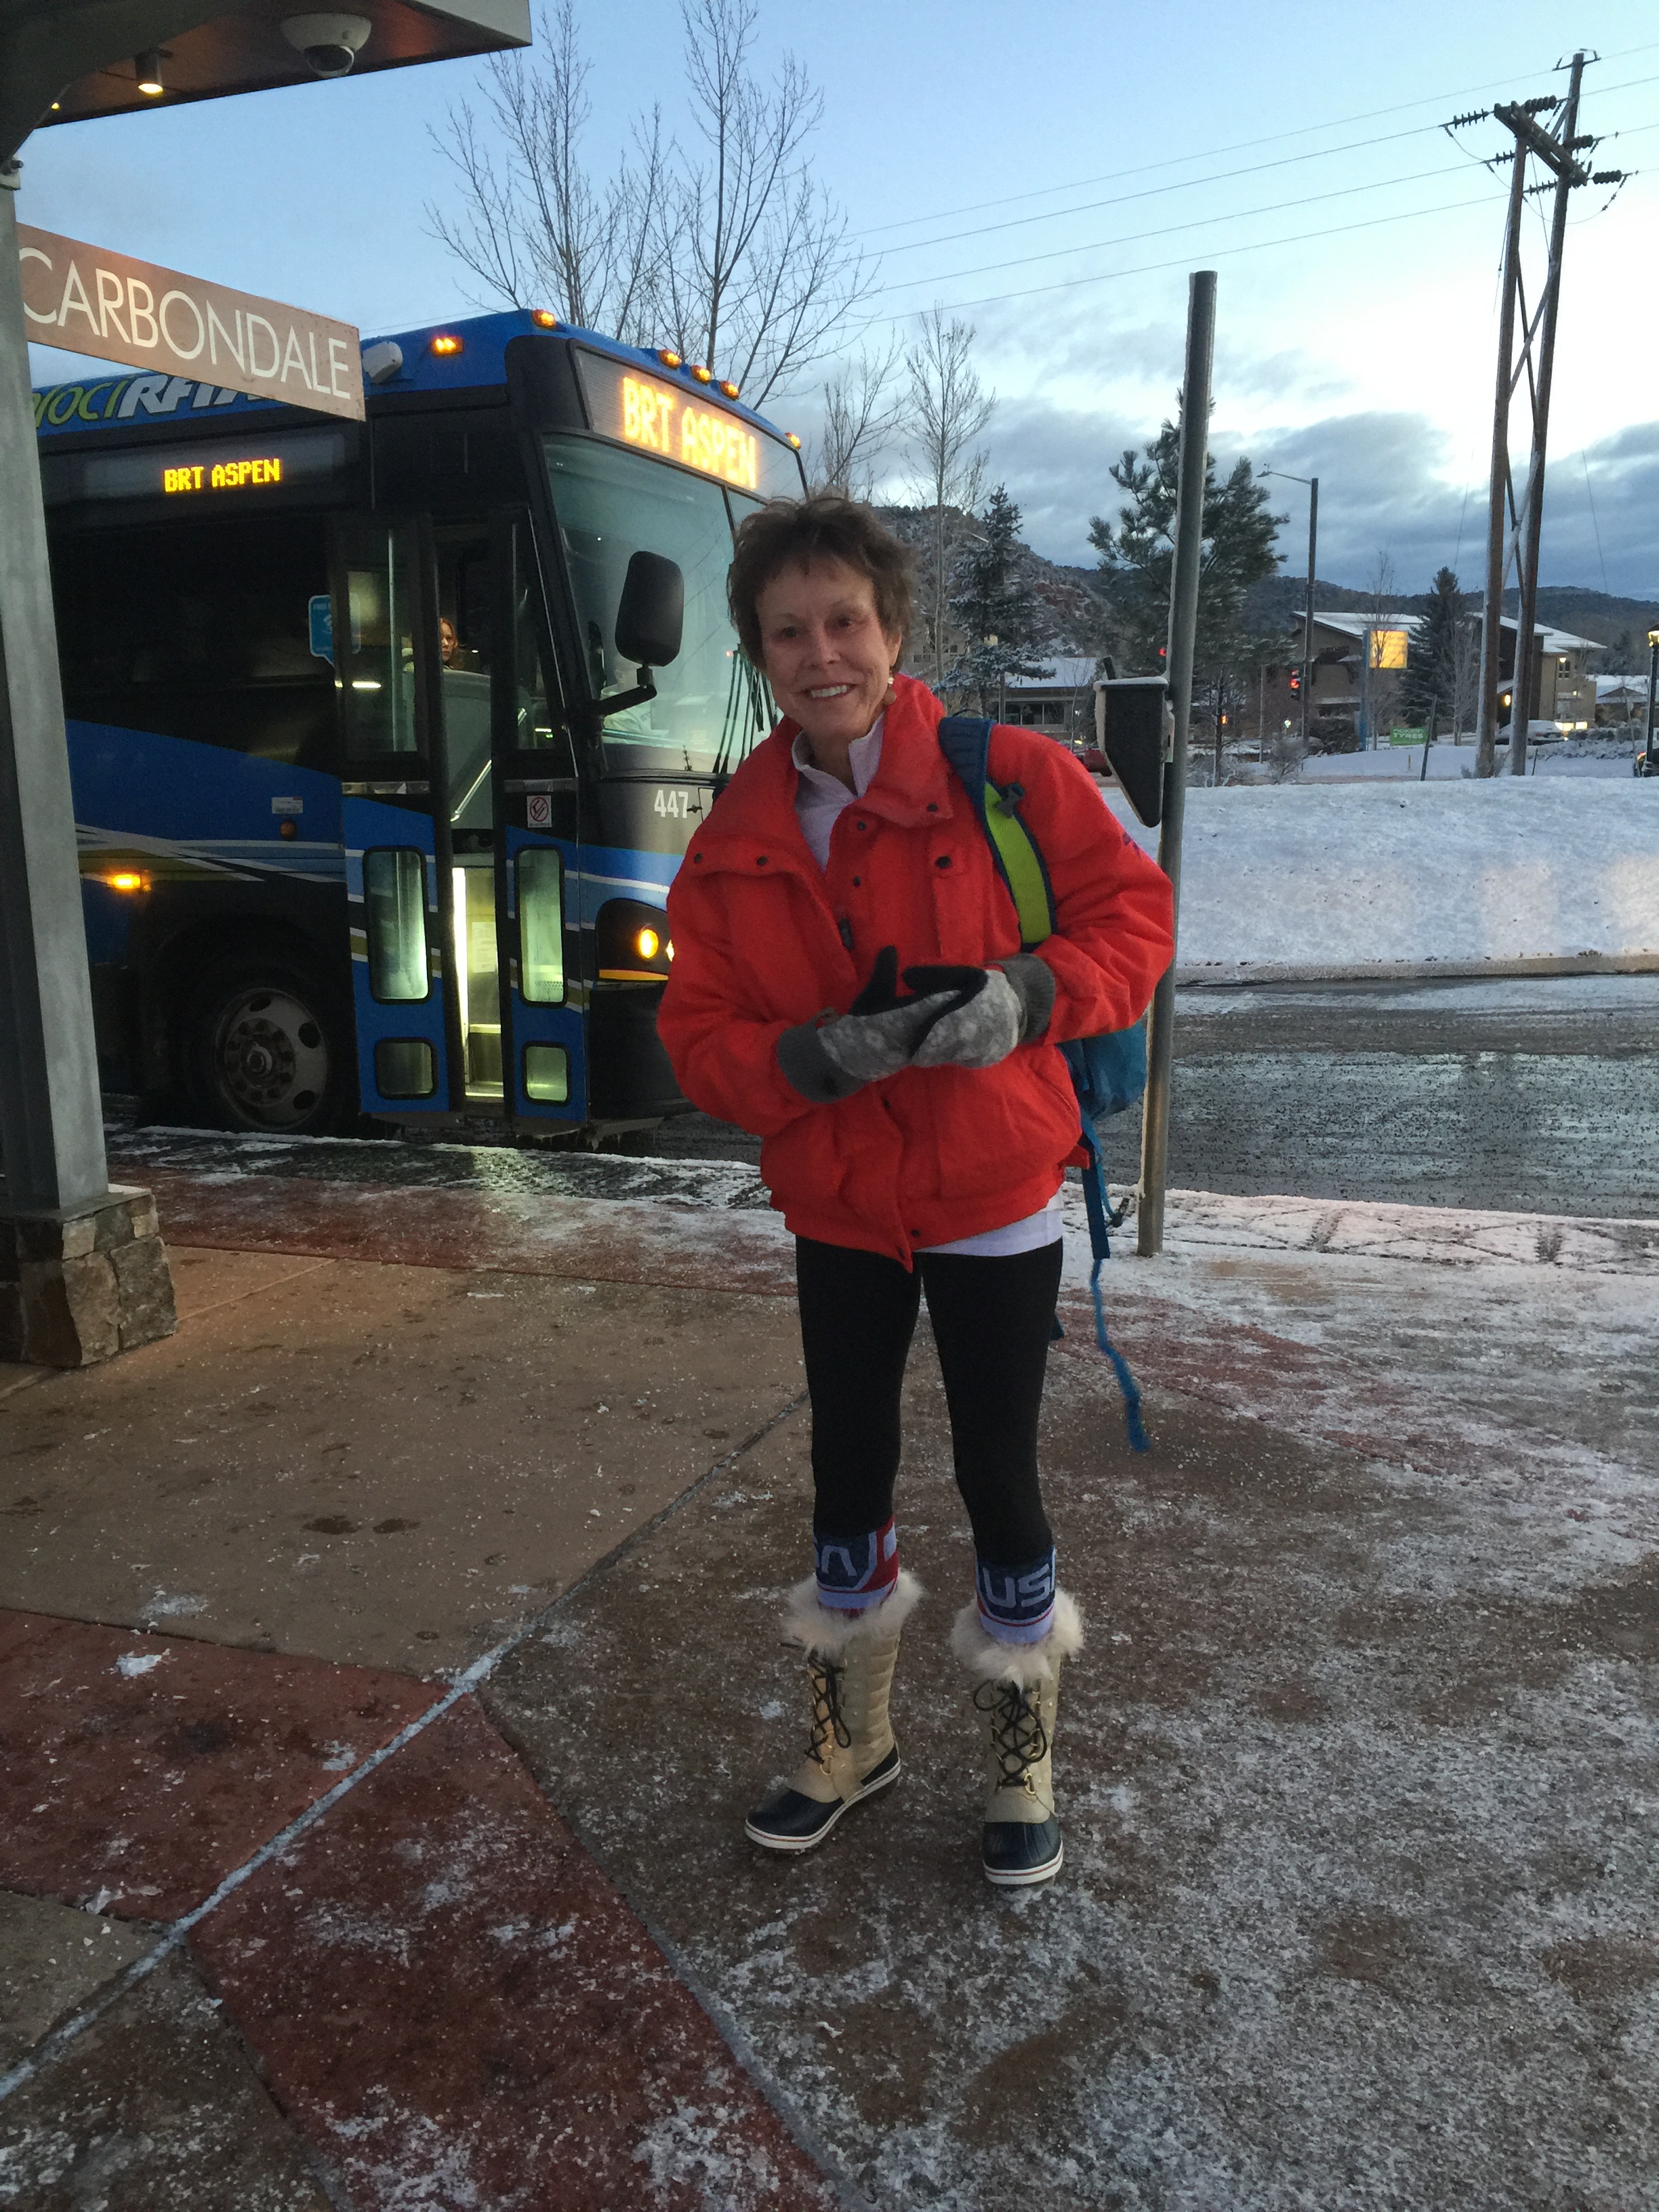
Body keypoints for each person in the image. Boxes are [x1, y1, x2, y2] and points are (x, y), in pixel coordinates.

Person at [657, 495, 1173, 1887]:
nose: (821, 653)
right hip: (839, 1203)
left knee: (998, 1468)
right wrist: (797, 1061)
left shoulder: (1009, 778)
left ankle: (1020, 1762)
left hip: (992, 1188)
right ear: (759, 653)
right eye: (789, 631)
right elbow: (695, 1029)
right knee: (847, 1467)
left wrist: (1031, 996)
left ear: (893, 632)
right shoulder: (735, 835)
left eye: (846, 622)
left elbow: (1135, 917)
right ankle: (854, 1745)